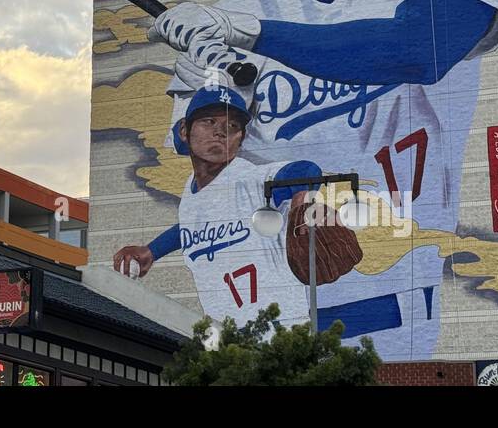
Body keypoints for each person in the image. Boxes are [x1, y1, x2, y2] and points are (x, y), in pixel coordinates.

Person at [147, 0, 498, 359]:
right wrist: (206, 70)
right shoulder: (240, 4)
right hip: (268, 317)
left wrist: (254, 35)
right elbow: (204, 161)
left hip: (398, 301)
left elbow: (420, 48)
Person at [112, 82, 362, 327]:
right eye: (209, 121)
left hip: (278, 331)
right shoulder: (192, 191)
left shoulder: (250, 179)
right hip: (224, 340)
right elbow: (189, 227)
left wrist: (300, 203)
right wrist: (152, 251)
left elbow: (305, 169)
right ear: (184, 131)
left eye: (232, 126)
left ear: (240, 140)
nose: (220, 132)